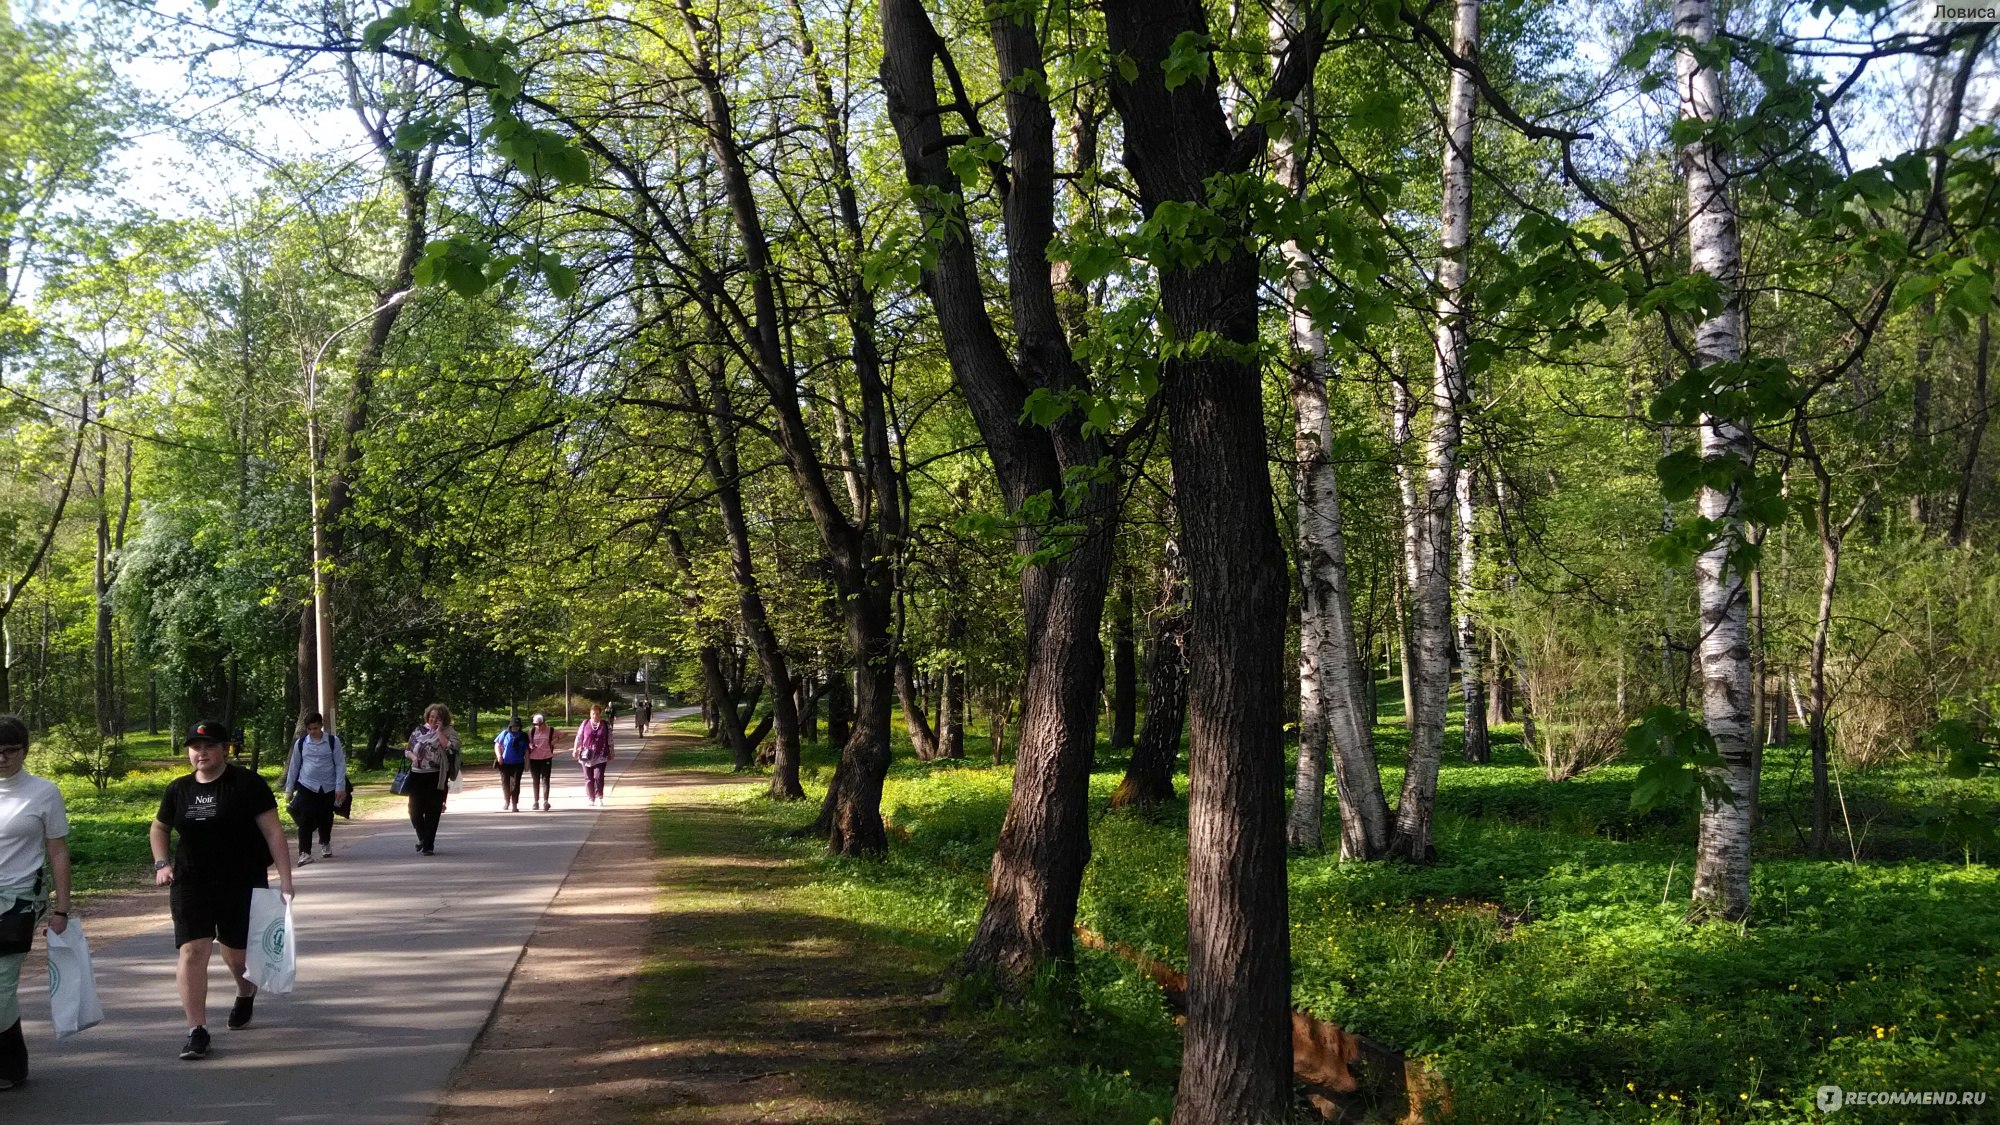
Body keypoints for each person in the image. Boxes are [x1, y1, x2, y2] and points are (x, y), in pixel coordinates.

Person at [150, 719, 294, 1061]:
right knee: (193, 951)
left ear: (225, 749)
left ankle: (245, 990)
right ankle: (196, 1030)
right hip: (191, 882)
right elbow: (159, 828)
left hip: (240, 881)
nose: (202, 752)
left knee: (237, 956)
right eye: (196, 747)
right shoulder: (178, 789)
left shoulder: (246, 784)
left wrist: (286, 882)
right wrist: (161, 864)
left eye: (210, 746)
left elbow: (274, 833)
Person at [0, 714, 69, 1089]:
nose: (2, 758)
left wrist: (62, 908)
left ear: (25, 750)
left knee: (1, 986)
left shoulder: (43, 792)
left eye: (10, 750)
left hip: (18, 902)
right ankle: (12, 1064)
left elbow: (57, 851)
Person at [279, 712, 348, 864]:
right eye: (309, 729)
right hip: (306, 785)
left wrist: (340, 787)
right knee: (304, 819)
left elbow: (340, 764)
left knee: (326, 817)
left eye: (315, 728)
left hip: (328, 786)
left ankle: (325, 842)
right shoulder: (301, 743)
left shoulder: (332, 741)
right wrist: (289, 789)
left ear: (321, 726)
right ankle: (304, 852)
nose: (312, 732)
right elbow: (294, 766)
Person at [405, 704, 461, 855]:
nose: (433, 719)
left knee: (433, 811)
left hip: (437, 776)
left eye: (437, 717)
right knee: (414, 810)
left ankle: (428, 845)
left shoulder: (449, 731)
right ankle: (423, 838)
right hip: (417, 775)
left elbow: (452, 747)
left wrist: (439, 731)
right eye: (431, 716)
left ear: (443, 719)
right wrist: (414, 757)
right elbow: (408, 750)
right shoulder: (419, 730)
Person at [572, 704, 614, 806]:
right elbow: (579, 737)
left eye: (597, 714)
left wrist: (612, 751)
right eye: (593, 714)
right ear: (590, 714)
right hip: (586, 755)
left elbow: (610, 739)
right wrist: (575, 749)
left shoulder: (605, 725)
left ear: (600, 714)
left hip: (601, 755)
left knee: (598, 776)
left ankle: (599, 796)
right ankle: (591, 798)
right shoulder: (585, 723)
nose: (595, 716)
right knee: (588, 778)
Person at [493, 717, 529, 812]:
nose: (515, 728)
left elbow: (526, 751)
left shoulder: (523, 736)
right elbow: (497, 745)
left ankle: (514, 804)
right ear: (510, 726)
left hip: (518, 763)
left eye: (517, 726)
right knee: (505, 783)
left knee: (515, 784)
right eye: (514, 726)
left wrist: (527, 763)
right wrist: (499, 756)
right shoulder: (505, 734)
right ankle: (506, 801)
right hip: (505, 763)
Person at [526, 713, 558, 811]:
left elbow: (564, 734)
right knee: (535, 780)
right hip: (534, 759)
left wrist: (554, 740)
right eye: (536, 724)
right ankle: (536, 802)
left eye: (540, 724)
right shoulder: (531, 731)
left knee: (545, 779)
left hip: (546, 758)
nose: (538, 726)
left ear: (544, 723)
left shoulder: (550, 730)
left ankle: (545, 801)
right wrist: (530, 745)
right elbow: (527, 742)